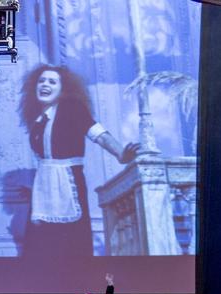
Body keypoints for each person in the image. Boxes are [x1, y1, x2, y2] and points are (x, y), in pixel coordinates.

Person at [19, 65, 138, 258]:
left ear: (62, 89)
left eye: (52, 81)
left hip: (68, 182)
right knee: (40, 246)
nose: (45, 85)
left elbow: (97, 134)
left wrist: (121, 154)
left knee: (71, 244)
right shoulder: (39, 120)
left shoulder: (71, 108)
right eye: (41, 81)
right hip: (44, 190)